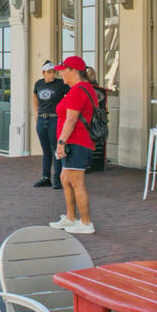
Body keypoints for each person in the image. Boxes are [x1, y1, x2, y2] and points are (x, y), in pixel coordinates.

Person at [49, 56, 99, 235]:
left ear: (74, 71)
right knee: (65, 178)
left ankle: (86, 222)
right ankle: (71, 217)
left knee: (77, 181)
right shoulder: (78, 89)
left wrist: (61, 142)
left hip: (77, 141)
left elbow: (71, 119)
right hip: (74, 141)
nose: (60, 73)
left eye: (64, 70)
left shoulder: (79, 90)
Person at [31, 60, 66, 188]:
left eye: (54, 72)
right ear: (43, 73)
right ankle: (46, 177)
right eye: (49, 72)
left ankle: (58, 178)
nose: (52, 75)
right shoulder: (38, 84)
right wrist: (36, 113)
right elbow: (35, 96)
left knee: (55, 149)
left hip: (54, 119)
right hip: (42, 119)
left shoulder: (60, 84)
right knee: (46, 150)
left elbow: (71, 93)